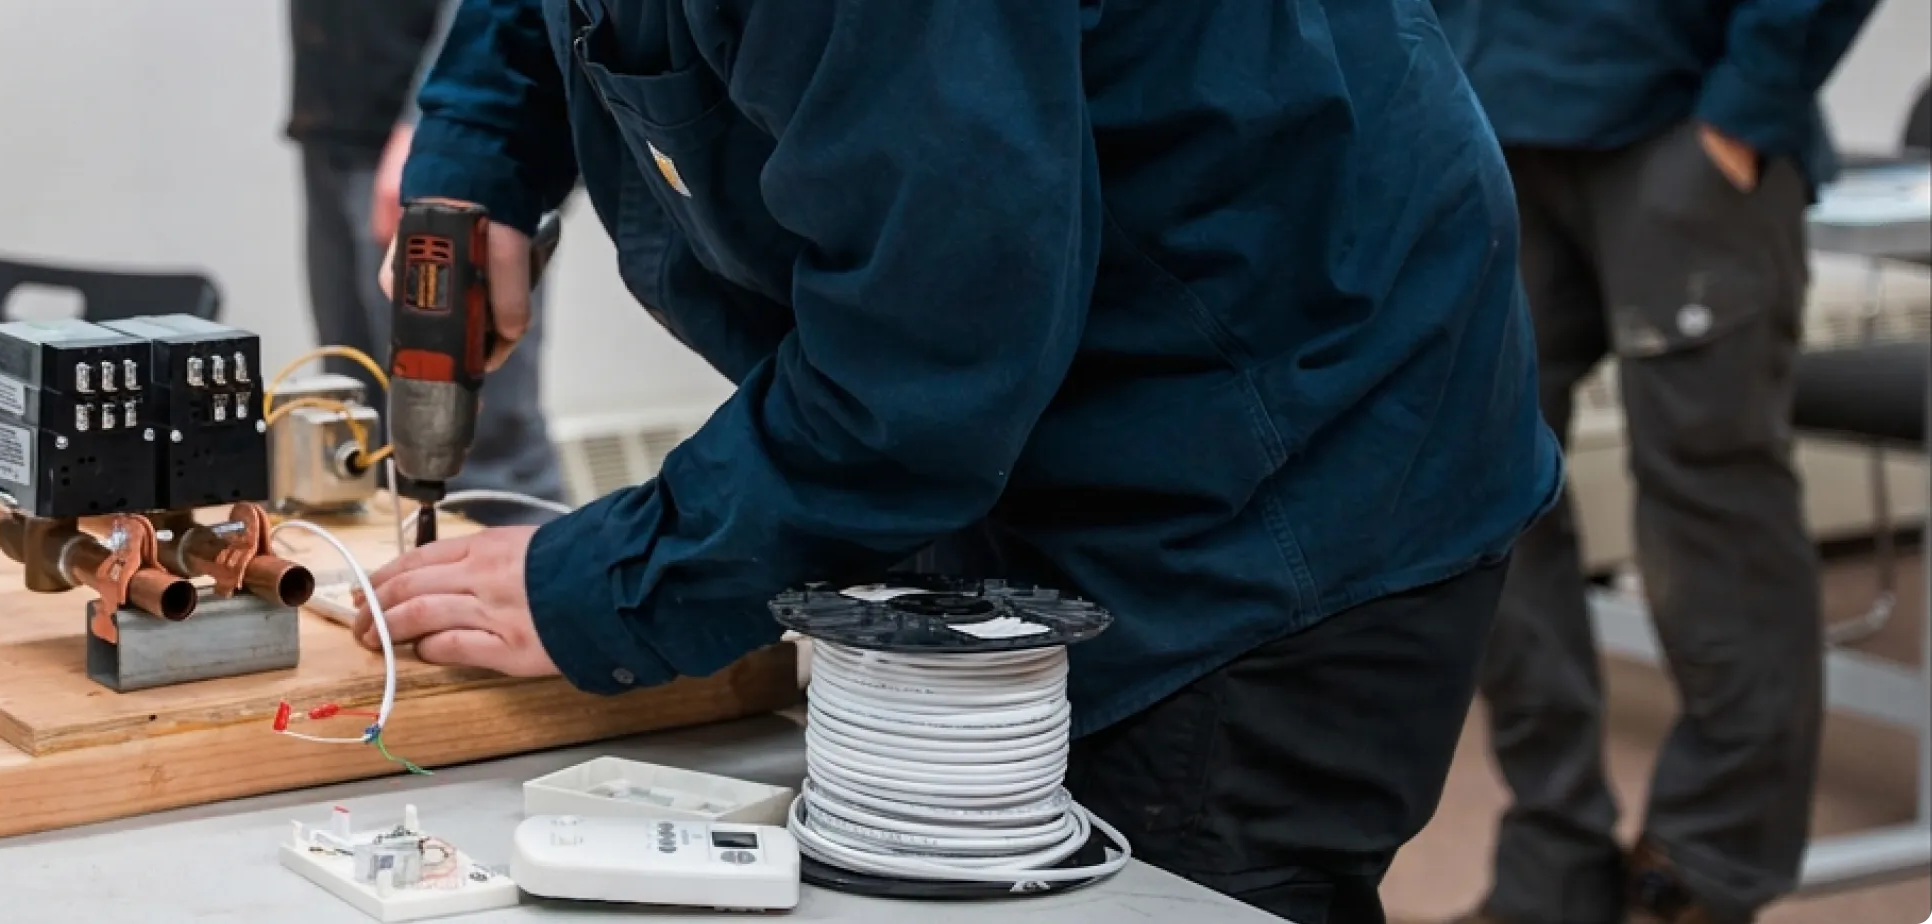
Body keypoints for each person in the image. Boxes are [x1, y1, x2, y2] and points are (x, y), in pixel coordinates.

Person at [360, 2, 1560, 922]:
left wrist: (611, 583)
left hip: (1272, 474)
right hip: (1048, 413)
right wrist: (477, 147)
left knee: (1166, 876)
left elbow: (925, 369)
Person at [1427, 2, 1880, 922]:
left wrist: (1751, 100)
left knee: (1712, 504)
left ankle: (1702, 872)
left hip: (1684, 121)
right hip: (1484, 107)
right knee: (1486, 501)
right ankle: (1551, 866)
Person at [283, 0, 566, 519]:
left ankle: (534, 579)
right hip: (334, 126)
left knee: (479, 443)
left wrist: (443, 137)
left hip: (429, 143)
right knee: (356, 418)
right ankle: (391, 585)